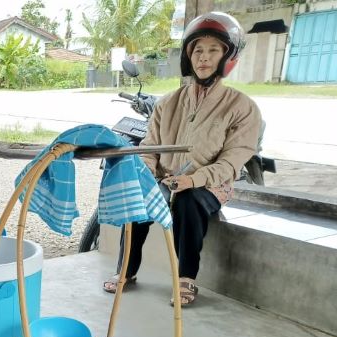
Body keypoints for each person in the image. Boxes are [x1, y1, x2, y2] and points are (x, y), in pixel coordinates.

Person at [102, 12, 261, 306]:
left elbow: (230, 162)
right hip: (167, 178)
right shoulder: (168, 102)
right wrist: (145, 176)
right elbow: (149, 148)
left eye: (214, 50)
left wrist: (192, 180)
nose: (204, 57)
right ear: (189, 56)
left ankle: (185, 278)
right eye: (198, 50)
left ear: (228, 56)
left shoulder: (243, 107)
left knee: (190, 202)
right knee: (138, 199)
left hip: (210, 185)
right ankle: (126, 270)